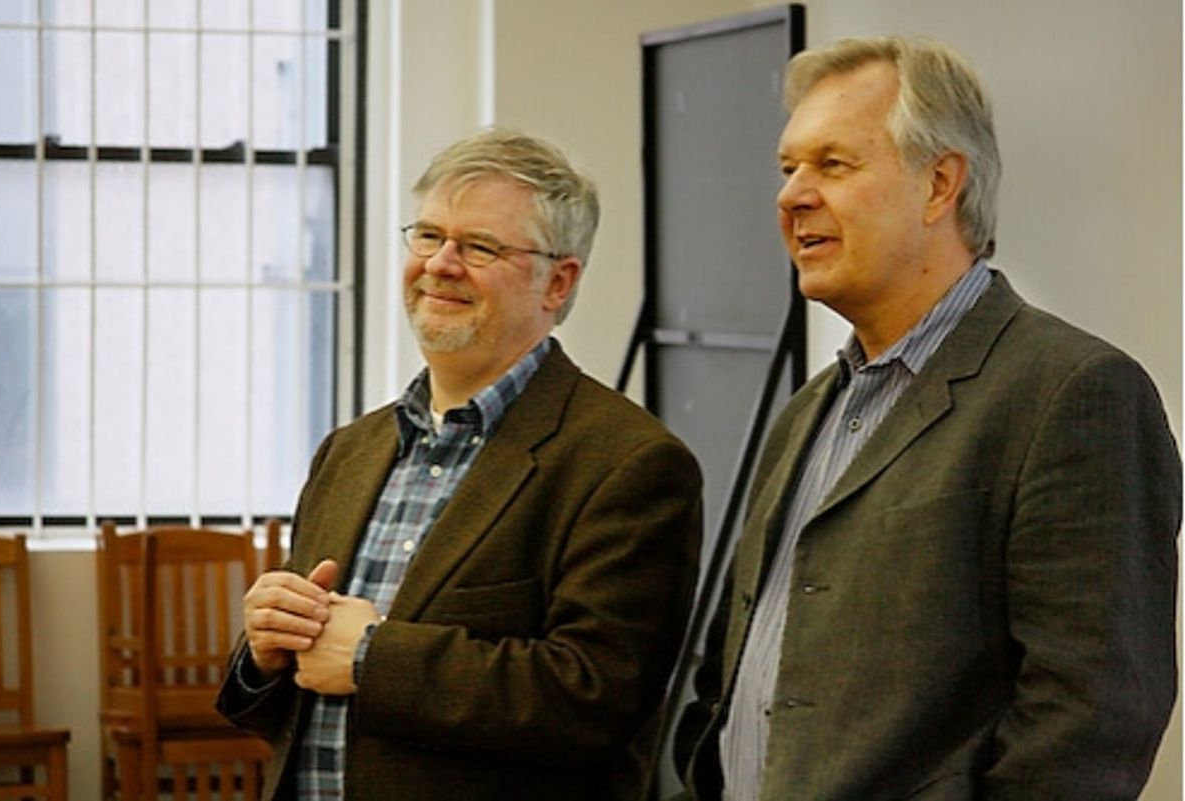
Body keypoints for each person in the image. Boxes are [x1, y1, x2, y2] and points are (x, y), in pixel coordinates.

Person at [673, 35, 1180, 800]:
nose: (791, 196)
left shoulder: (1072, 391)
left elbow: (1091, 719)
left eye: (832, 165)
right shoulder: (808, 411)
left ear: (940, 184)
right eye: (787, 169)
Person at [217, 128, 703, 800]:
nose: (441, 263)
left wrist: (370, 656)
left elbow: (594, 698)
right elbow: (304, 706)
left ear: (557, 282)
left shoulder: (629, 464)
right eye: (427, 235)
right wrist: (266, 651)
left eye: (479, 247)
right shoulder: (348, 452)